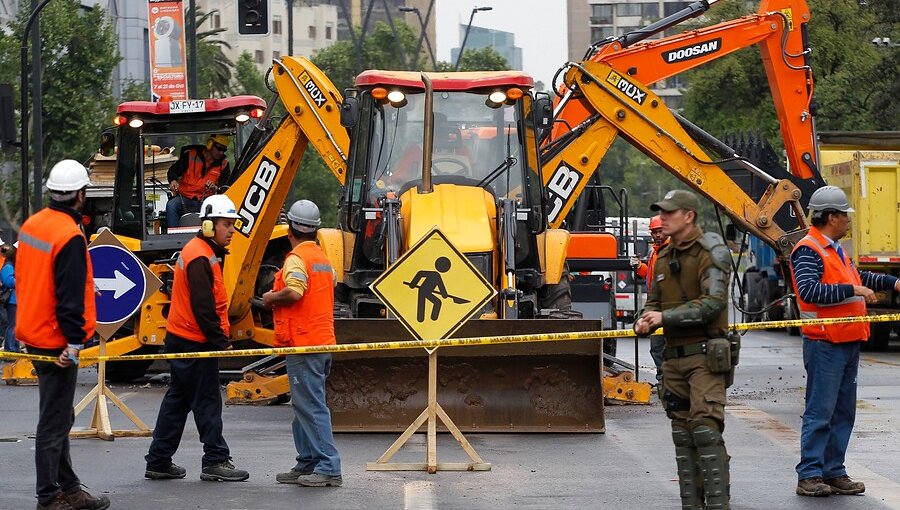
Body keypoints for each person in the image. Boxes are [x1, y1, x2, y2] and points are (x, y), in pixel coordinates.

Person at [790, 186, 899, 498]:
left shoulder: (834, 248)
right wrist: (855, 292)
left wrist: (892, 282)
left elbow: (857, 277)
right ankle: (809, 474)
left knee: (842, 412)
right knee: (820, 412)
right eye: (845, 215)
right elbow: (810, 291)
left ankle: (833, 471)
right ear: (831, 217)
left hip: (847, 340)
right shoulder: (808, 249)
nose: (849, 220)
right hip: (825, 343)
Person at [15, 160, 110, 510]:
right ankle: (49, 496)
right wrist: (73, 344)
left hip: (34, 332)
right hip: (57, 341)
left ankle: (68, 488)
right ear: (81, 195)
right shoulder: (68, 234)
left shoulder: (33, 225)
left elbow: (39, 278)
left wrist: (87, 289)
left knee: (59, 416)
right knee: (54, 422)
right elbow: (68, 297)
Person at [633, 190, 733, 510]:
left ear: (688, 216)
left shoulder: (711, 251)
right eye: (661, 212)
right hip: (673, 358)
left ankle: (718, 505)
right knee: (682, 434)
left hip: (704, 355)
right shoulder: (663, 257)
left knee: (704, 429)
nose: (662, 218)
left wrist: (665, 317)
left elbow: (712, 304)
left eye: (669, 213)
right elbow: (654, 302)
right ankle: (690, 504)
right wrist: (645, 319)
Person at [144, 194, 249, 483]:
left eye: (232, 224)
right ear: (207, 226)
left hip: (184, 338)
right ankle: (215, 459)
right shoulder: (200, 256)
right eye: (226, 224)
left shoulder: (201, 251)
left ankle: (159, 460)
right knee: (206, 401)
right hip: (194, 340)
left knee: (178, 401)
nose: (231, 230)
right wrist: (220, 340)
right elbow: (203, 307)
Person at [265, 200, 343, 488]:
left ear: (291, 230)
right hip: (321, 341)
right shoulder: (322, 258)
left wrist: (271, 298)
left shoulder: (297, 259)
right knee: (303, 406)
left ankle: (329, 467)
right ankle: (307, 461)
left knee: (311, 406)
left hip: (304, 342)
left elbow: (295, 292)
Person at [630, 215, 669, 384]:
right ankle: (664, 379)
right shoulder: (654, 251)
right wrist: (640, 267)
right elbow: (650, 276)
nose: (658, 235)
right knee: (657, 347)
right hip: (655, 305)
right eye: (655, 232)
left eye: (660, 231)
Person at [165, 134, 232, 227]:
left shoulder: (224, 164)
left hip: (207, 199)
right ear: (210, 144)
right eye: (219, 148)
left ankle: (212, 235)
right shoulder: (190, 156)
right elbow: (173, 170)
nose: (221, 153)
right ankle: (173, 236)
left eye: (224, 150)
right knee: (171, 206)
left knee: (218, 209)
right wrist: (173, 181)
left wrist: (216, 188)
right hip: (184, 197)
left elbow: (225, 185)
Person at [2, 244, 18, 353]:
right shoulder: (8, 266)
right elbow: (9, 281)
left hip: (16, 300)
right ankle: (10, 350)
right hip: (12, 300)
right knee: (12, 326)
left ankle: (14, 349)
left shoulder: (11, 266)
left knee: (15, 326)